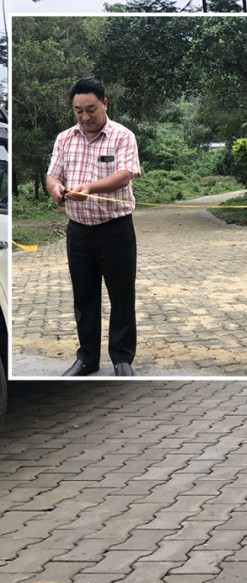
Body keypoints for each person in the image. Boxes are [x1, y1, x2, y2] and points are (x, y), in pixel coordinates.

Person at [46, 77, 141, 377]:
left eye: (90, 109)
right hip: (78, 231)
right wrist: (55, 189)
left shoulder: (122, 137)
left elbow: (125, 175)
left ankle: (122, 359)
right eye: (78, 111)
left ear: (104, 103)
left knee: (121, 295)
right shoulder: (64, 139)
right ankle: (87, 358)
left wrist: (90, 188)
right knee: (84, 297)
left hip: (115, 230)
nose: (85, 117)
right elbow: (52, 175)